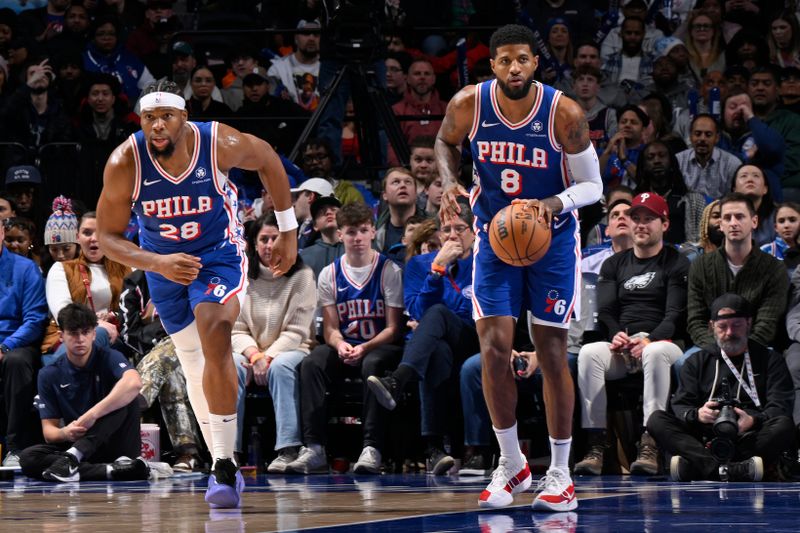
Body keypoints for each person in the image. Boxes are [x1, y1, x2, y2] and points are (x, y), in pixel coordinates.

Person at [95, 80, 298, 508]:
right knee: (192, 362)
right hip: (164, 266)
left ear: (184, 117)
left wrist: (288, 228)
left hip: (217, 255)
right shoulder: (124, 162)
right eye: (149, 117)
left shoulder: (217, 141)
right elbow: (109, 237)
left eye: (166, 116)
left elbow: (268, 161)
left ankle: (224, 463)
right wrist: (156, 263)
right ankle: (222, 462)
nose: (157, 125)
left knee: (215, 328)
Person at [435, 24, 603, 511]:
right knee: (493, 347)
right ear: (494, 65)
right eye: (505, 60)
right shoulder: (470, 103)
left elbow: (592, 186)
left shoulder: (563, 112)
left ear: (535, 63)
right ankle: (511, 464)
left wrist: (548, 204)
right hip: (492, 237)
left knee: (551, 352)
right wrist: (449, 183)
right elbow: (446, 143)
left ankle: (560, 471)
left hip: (551, 241)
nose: (514, 68)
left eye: (523, 60)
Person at [574, 192, 689, 477]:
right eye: (635, 218)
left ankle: (650, 443)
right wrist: (617, 337)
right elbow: (608, 312)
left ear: (664, 224)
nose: (639, 224)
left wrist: (648, 339)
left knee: (654, 352)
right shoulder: (614, 265)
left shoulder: (677, 262)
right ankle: (595, 446)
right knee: (589, 354)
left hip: (665, 343)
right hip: (624, 345)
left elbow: (674, 315)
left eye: (648, 219)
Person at [286, 202, 403, 475]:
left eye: (363, 231)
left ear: (373, 232)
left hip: (380, 345)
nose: (358, 238)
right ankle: (314, 448)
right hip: (347, 345)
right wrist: (340, 344)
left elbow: (393, 328)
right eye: (351, 232)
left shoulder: (389, 270)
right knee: (312, 363)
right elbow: (329, 328)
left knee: (372, 366)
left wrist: (364, 347)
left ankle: (371, 448)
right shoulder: (329, 273)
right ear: (340, 235)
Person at [367, 201, 478, 475]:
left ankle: (398, 380)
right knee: (435, 350)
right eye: (447, 229)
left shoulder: (482, 263)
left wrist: (433, 319)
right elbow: (415, 310)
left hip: (470, 338)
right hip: (434, 344)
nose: (452, 235)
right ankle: (435, 449)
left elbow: (469, 311)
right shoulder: (420, 264)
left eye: (460, 229)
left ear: (474, 233)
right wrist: (437, 270)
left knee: (439, 314)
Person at [648, 294, 795, 482]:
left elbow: (780, 404)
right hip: (706, 436)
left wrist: (753, 419)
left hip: (749, 435)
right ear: (711, 327)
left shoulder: (770, 360)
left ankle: (700, 467)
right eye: (722, 327)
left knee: (784, 424)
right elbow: (681, 405)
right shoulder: (696, 362)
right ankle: (734, 469)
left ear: (749, 323)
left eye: (737, 325)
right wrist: (698, 414)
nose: (729, 332)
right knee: (656, 420)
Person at [19, 303, 151, 482]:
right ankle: (108, 470)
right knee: (28, 458)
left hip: (115, 442)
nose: (80, 339)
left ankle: (73, 458)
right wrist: (66, 432)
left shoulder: (109, 357)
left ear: (94, 334)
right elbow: (49, 432)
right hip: (80, 441)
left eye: (85, 332)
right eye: (73, 333)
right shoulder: (49, 374)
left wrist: (92, 415)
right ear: (61, 336)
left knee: (129, 398)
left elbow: (134, 383)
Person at [232, 212, 316, 473]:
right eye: (263, 239)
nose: (269, 245)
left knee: (280, 367)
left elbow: (298, 331)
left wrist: (267, 357)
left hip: (293, 349)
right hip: (251, 351)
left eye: (275, 239)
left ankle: (288, 450)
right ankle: (227, 452)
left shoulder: (303, 276)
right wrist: (255, 355)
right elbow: (236, 329)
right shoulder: (242, 278)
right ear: (254, 245)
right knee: (230, 364)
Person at [686, 193, 789, 353]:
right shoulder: (700, 266)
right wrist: (719, 350)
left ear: (754, 221)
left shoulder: (774, 268)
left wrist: (740, 350)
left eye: (740, 217)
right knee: (682, 364)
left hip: (757, 347)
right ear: (720, 224)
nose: (733, 223)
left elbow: (768, 322)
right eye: (727, 218)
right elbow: (695, 320)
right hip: (711, 347)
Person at [45, 212, 131, 364]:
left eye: (100, 232)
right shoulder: (61, 268)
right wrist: (97, 324)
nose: (94, 238)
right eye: (87, 232)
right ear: (77, 237)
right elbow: (63, 313)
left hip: (121, 337)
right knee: (96, 333)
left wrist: (113, 316)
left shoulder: (128, 268)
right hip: (74, 335)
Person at [0, 215, 48, 467]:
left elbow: (34, 319)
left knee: (16, 362)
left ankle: (14, 447)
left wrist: (5, 346)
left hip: (15, 342)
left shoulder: (25, 268)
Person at [676, 114, 742, 200]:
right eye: (697, 134)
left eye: (708, 134)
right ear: (690, 136)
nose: (702, 138)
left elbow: (735, 199)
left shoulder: (732, 164)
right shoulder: (678, 160)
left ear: (717, 138)